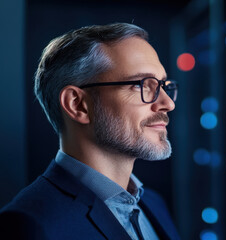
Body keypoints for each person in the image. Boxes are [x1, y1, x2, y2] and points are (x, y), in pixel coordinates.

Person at [0, 23, 180, 240]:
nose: (168, 103)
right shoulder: (30, 225)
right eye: (142, 85)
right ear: (78, 104)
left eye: (163, 85)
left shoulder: (154, 203)